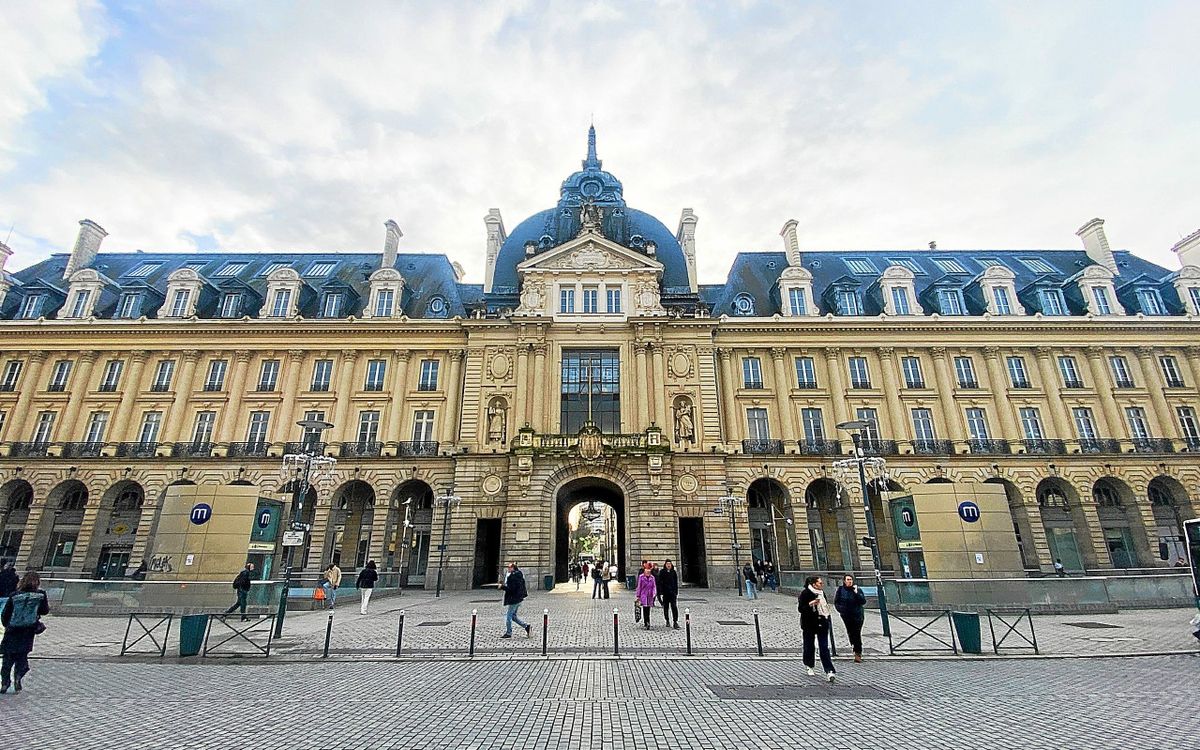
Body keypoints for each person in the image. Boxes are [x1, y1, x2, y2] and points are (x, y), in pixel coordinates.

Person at [2, 570, 50, 694]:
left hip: (12, 630)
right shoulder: (41, 595)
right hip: (28, 630)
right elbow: (45, 610)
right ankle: (18, 676)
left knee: (8, 658)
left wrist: (7, 625)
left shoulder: (15, 595)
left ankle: (5, 683)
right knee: (22, 656)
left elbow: (6, 613)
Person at [798, 575, 836, 682]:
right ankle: (809, 665)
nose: (822, 584)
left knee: (824, 647)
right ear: (813, 584)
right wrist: (810, 604)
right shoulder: (805, 593)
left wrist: (827, 618)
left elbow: (825, 606)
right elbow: (801, 608)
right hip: (809, 623)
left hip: (822, 622)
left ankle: (829, 670)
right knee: (809, 645)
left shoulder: (822, 593)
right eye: (820, 583)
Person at [834, 574, 867, 663]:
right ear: (844, 581)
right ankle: (854, 647)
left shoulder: (857, 590)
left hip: (857, 615)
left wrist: (856, 593)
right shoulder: (840, 590)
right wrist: (841, 610)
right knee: (850, 632)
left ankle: (858, 652)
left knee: (856, 632)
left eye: (851, 580)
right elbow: (836, 602)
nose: (850, 581)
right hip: (846, 615)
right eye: (848, 580)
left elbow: (863, 601)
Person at [500, 561, 531, 638]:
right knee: (513, 616)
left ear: (513, 568)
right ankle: (526, 626)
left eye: (509, 567)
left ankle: (509, 632)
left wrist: (502, 587)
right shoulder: (519, 575)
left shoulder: (512, 577)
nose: (508, 568)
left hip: (514, 599)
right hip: (519, 598)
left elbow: (511, 589)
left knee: (508, 616)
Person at [658, 559, 680, 628]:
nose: (668, 565)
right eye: (667, 564)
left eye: (669, 564)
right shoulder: (662, 572)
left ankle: (675, 621)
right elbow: (660, 582)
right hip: (665, 593)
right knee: (666, 608)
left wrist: (676, 592)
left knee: (674, 607)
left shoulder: (673, 572)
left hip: (672, 593)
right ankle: (667, 620)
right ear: (665, 565)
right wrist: (661, 592)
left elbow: (676, 583)